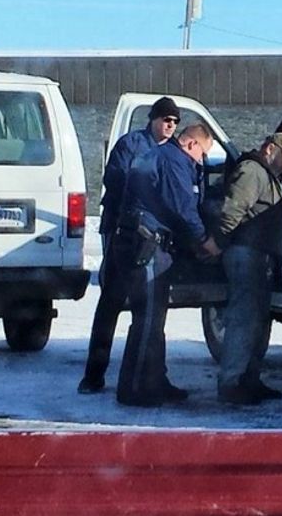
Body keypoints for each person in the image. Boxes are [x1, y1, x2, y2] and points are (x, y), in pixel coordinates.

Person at [78, 97, 181, 394]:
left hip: (152, 240)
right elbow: (117, 179)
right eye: (165, 120)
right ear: (153, 119)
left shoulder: (171, 151)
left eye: (174, 122)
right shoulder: (131, 144)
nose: (170, 126)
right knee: (110, 303)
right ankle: (94, 374)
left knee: (150, 314)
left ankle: (155, 376)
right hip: (122, 235)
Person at [114, 123, 221, 407]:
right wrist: (204, 240)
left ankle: (155, 381)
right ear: (190, 145)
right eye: (202, 154)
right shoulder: (175, 162)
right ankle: (134, 389)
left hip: (148, 244)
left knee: (154, 320)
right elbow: (183, 208)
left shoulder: (160, 156)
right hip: (148, 245)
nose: (202, 161)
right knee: (147, 320)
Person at [214, 133, 282, 405]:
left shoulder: (268, 175)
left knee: (259, 321)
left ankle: (249, 379)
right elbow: (232, 210)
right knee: (243, 321)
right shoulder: (252, 171)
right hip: (245, 254)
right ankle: (231, 383)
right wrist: (220, 242)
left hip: (259, 256)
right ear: (270, 149)